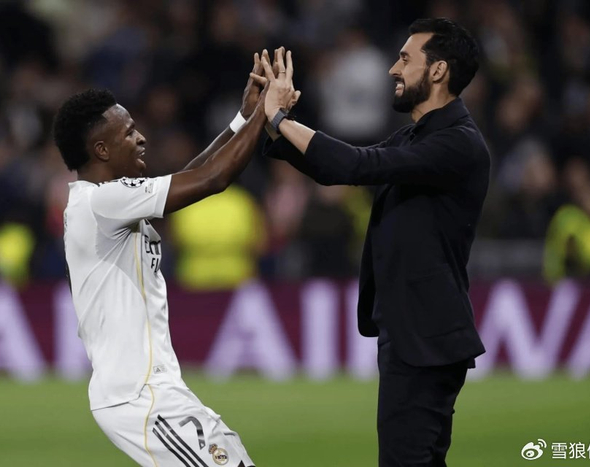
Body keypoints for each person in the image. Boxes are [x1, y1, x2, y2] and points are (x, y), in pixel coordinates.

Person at [253, 18, 489, 466]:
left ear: (438, 70)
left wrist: (279, 118)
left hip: (426, 335)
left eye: (405, 58)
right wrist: (271, 123)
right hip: (413, 331)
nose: (393, 69)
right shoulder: (419, 136)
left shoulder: (458, 143)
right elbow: (335, 169)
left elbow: (358, 165)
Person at [53, 53, 295, 467]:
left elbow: (192, 175)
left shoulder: (110, 202)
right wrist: (267, 113)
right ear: (101, 150)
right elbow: (213, 178)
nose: (141, 138)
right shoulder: (101, 203)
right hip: (139, 397)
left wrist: (243, 118)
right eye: (129, 133)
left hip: (156, 391)